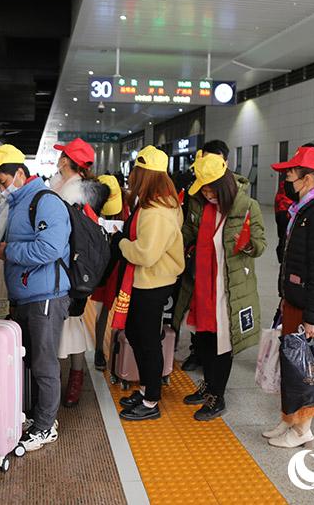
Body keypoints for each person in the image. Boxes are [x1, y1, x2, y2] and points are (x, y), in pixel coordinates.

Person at [0, 144, 71, 451]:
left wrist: (10, 252)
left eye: (2, 181)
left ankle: (46, 427)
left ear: (20, 174)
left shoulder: (45, 202)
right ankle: (40, 417)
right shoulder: (21, 202)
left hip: (46, 295)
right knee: (34, 362)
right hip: (27, 296)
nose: (1, 188)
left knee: (44, 363)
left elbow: (49, 249)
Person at [263, 142, 314, 448]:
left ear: (307, 178)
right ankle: (289, 421)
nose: (287, 180)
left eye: (292, 174)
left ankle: (302, 431)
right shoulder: (303, 211)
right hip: (296, 302)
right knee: (293, 367)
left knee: (308, 369)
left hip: (311, 308)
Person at [174, 151, 265, 421]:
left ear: (223, 184)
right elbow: (186, 235)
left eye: (211, 189)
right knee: (202, 338)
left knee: (220, 342)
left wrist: (248, 244)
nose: (207, 194)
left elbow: (260, 243)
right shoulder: (199, 204)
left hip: (227, 287)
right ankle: (208, 387)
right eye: (203, 189)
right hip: (201, 283)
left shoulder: (247, 206)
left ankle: (217, 396)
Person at [115, 146, 185, 421]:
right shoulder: (159, 203)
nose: (131, 177)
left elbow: (145, 253)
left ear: (144, 175)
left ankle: (151, 401)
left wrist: (120, 243)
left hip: (152, 283)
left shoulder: (156, 211)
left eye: (135, 171)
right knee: (137, 334)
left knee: (146, 341)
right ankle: (146, 389)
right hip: (150, 281)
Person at [50, 137, 105, 407]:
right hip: (78, 270)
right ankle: (73, 379)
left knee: (69, 323)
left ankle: (72, 380)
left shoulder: (70, 194)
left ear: (65, 161)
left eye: (61, 157)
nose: (57, 161)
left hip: (71, 270)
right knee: (72, 323)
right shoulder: (83, 190)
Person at [181, 140, 229, 373]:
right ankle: (197, 352)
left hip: (220, 268)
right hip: (198, 262)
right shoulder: (197, 192)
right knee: (197, 309)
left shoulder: (234, 195)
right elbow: (189, 226)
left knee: (218, 320)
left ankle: (213, 370)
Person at [92, 175, 128, 371]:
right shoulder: (90, 208)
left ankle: (119, 350)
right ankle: (99, 349)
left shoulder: (129, 206)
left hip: (120, 266)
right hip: (101, 268)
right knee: (101, 312)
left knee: (122, 310)